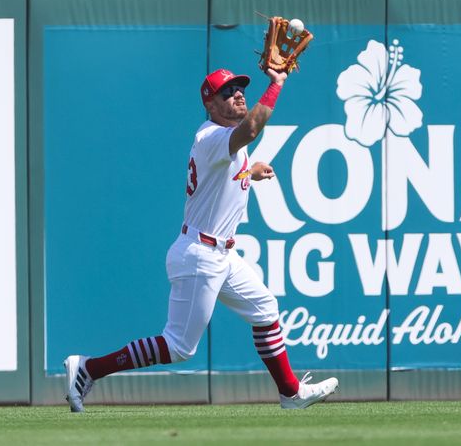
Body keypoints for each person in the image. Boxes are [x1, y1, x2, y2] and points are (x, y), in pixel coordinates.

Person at [63, 67, 338, 412]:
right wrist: (276, 83)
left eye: (240, 88)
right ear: (210, 104)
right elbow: (251, 128)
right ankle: (89, 368)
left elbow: (225, 173)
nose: (238, 94)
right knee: (179, 347)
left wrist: (250, 173)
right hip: (200, 255)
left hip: (221, 254)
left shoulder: (224, 141)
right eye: (228, 92)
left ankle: (291, 393)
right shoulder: (213, 137)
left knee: (265, 309)